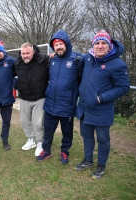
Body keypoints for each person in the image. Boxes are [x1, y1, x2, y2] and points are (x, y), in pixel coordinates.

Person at [74, 30, 130, 179]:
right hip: (85, 107)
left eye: (103, 43)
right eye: (97, 43)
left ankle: (101, 165)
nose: (100, 46)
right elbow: (73, 56)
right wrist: (53, 54)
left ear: (109, 45)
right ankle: (88, 160)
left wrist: (101, 98)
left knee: (103, 140)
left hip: (101, 109)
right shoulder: (88, 59)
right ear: (93, 45)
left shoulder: (118, 64)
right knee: (86, 136)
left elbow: (123, 87)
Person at [36, 30, 83, 164]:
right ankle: (46, 151)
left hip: (67, 105)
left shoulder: (77, 60)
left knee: (67, 132)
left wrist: (72, 94)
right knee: (48, 130)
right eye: (56, 45)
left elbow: (81, 80)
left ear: (66, 44)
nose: (58, 47)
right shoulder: (52, 60)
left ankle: (64, 151)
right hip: (50, 103)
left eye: (61, 44)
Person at [14, 42, 49, 156]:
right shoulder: (18, 62)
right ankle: (30, 140)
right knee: (25, 121)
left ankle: (40, 143)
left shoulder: (43, 60)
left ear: (33, 51)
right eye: (23, 53)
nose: (25, 56)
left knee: (38, 123)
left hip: (40, 97)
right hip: (24, 97)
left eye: (28, 53)